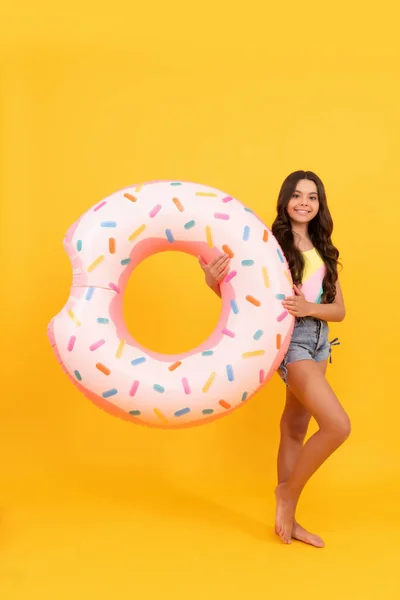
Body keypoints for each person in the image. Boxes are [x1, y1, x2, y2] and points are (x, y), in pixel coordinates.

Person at [198, 170, 350, 548]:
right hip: (293, 341)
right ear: (284, 201)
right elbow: (246, 298)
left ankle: (290, 520)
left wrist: (310, 307)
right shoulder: (270, 244)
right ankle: (287, 494)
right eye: (297, 195)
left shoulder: (323, 247)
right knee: (337, 426)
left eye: (312, 197)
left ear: (320, 204)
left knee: (296, 426)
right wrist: (212, 281)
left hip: (320, 342)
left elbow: (339, 310)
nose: (304, 203)